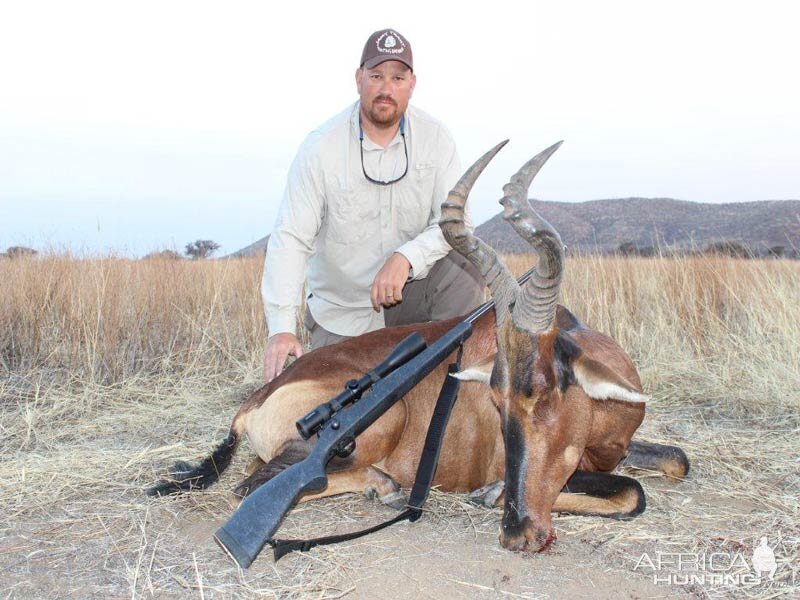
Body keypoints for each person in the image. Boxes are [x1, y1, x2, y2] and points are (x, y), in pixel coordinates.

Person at [261, 28, 484, 382]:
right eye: (376, 76)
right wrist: (281, 328)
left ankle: (454, 383)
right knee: (336, 407)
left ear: (412, 84)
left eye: (397, 78)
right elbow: (291, 238)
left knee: (462, 266)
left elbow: (457, 224)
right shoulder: (321, 147)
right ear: (358, 79)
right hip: (344, 311)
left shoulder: (436, 138)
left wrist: (406, 258)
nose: (386, 88)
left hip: (408, 296)